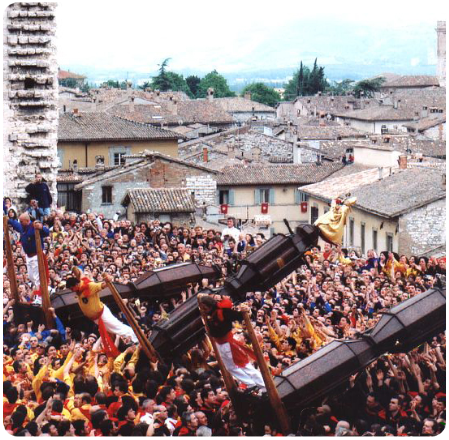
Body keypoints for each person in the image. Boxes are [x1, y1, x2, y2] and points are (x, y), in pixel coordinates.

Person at [198, 294, 265, 389]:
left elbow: (238, 316)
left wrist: (247, 311)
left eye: (204, 308)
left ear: (210, 305)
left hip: (228, 343)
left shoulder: (223, 311)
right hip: (220, 344)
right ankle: (251, 384)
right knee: (230, 368)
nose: (203, 310)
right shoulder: (208, 314)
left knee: (244, 364)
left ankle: (263, 385)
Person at [65, 268, 138, 351]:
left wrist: (108, 280)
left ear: (76, 285)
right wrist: (74, 268)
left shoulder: (89, 285)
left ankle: (137, 339)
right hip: (96, 318)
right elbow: (80, 272)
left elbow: (103, 285)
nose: (71, 291)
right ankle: (127, 343)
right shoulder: (80, 283)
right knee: (112, 332)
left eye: (71, 288)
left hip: (102, 314)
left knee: (118, 328)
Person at [7, 212, 49, 289]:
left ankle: (40, 298)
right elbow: (15, 223)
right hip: (28, 256)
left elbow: (46, 232)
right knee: (31, 276)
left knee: (38, 278)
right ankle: (40, 293)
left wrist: (41, 227)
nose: (20, 222)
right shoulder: (22, 227)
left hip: (37, 255)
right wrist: (7, 219)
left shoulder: (34, 226)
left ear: (27, 220)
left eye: (22, 221)